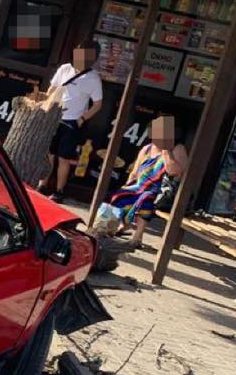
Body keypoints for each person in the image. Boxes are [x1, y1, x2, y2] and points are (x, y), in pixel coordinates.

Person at [107, 121, 188, 248]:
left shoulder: (177, 148)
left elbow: (175, 172)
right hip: (140, 184)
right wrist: (128, 185)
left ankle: (137, 237)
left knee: (146, 199)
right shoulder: (147, 148)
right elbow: (135, 171)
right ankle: (118, 226)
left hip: (161, 190)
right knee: (120, 195)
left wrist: (166, 151)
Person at [39, 40, 103, 199]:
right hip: (54, 117)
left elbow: (98, 104)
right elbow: (52, 88)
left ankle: (59, 191)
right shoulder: (64, 68)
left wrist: (82, 118)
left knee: (64, 157)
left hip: (72, 121)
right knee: (49, 154)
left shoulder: (93, 78)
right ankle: (42, 185)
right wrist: (47, 104)